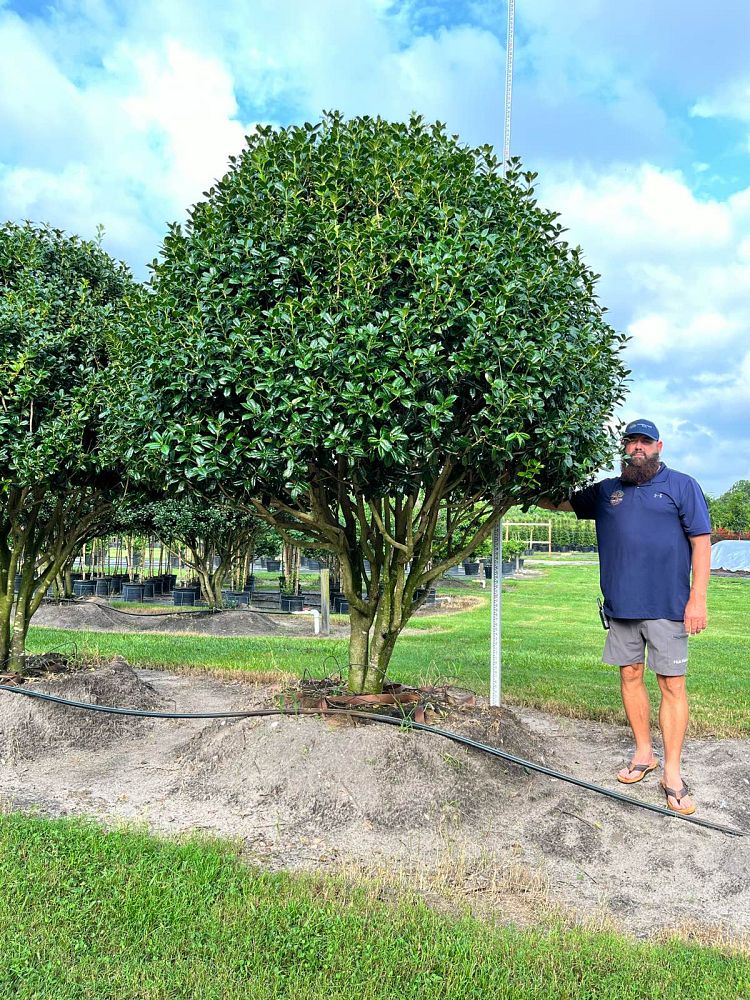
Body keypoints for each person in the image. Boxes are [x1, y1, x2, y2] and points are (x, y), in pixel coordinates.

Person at [540, 419, 711, 815]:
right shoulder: (607, 491)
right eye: (631, 441)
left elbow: (701, 545)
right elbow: (557, 501)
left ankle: (671, 772)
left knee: (671, 685)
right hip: (621, 607)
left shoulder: (682, 486)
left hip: (669, 607)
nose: (637, 448)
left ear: (659, 446)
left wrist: (697, 600)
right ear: (624, 448)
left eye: (644, 442)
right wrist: (519, 479)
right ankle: (643, 754)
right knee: (630, 676)